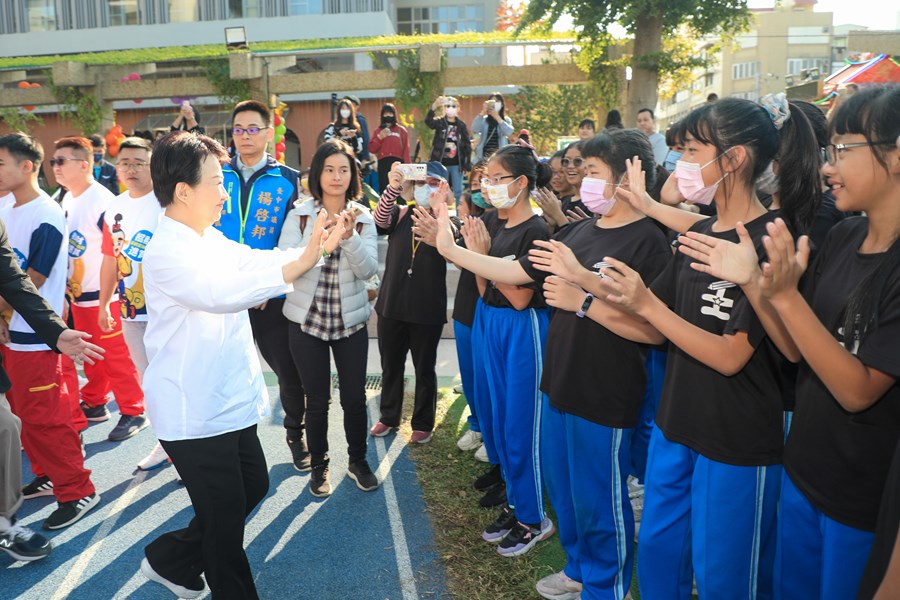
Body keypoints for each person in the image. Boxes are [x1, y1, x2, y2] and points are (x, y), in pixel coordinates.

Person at [682, 85, 900, 600]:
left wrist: (782, 294)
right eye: (829, 152)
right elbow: (795, 350)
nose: (828, 167)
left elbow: (858, 389)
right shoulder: (847, 236)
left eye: (843, 150)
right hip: (804, 469)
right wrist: (759, 288)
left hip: (859, 495)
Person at [599, 98, 804, 598]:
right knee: (660, 559)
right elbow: (660, 327)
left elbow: (731, 355)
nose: (680, 164)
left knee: (724, 579)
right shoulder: (701, 232)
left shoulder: (769, 243)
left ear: (732, 160)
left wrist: (648, 306)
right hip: (678, 424)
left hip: (735, 440)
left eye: (691, 151)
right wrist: (592, 300)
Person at [139, 131, 345, 600]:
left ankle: (170, 558)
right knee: (224, 524)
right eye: (217, 182)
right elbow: (221, 294)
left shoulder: (207, 236)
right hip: (193, 410)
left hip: (225, 400)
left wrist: (315, 250)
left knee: (252, 487)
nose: (225, 192)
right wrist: (305, 259)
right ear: (183, 191)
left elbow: (255, 263)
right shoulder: (167, 251)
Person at [432, 143, 555, 558]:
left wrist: (480, 257)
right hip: (492, 319)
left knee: (521, 426)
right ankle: (518, 503)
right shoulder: (496, 224)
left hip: (522, 330)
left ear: (521, 183)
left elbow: (521, 299)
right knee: (500, 421)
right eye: (486, 178)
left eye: (497, 178)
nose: (488, 186)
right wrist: (480, 261)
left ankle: (534, 519)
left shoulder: (536, 230)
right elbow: (485, 289)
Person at [0, 132, 104, 533]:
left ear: (27, 167)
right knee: (25, 416)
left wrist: (6, 315)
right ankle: (47, 473)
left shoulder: (45, 213)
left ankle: (77, 489)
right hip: (13, 332)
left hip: (34, 334)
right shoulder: (8, 206)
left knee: (45, 416)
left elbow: (31, 277)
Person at [277, 138, 379, 498]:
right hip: (306, 322)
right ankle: (319, 466)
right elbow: (286, 262)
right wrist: (319, 234)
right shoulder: (300, 214)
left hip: (350, 323)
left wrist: (348, 237)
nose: (336, 177)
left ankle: (358, 460)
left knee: (354, 398)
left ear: (353, 176)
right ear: (317, 173)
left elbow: (368, 271)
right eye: (329, 169)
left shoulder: (364, 217)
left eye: (344, 170)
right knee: (316, 400)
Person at [217, 100, 309, 473]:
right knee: (223, 376)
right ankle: (228, 449)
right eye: (238, 129)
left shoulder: (288, 179)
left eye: (252, 128)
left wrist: (267, 285)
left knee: (288, 372)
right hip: (222, 295)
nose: (244, 136)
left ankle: (295, 435)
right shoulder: (215, 175)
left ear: (270, 134)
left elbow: (292, 241)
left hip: (269, 296)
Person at [56, 137, 145, 442]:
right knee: (89, 353)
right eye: (53, 161)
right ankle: (95, 401)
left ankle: (134, 409)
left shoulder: (103, 202)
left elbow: (114, 254)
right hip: (79, 295)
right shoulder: (68, 198)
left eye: (61, 161)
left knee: (117, 357)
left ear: (84, 164)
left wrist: (110, 298)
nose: (54, 167)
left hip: (107, 296)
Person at [96, 136, 171, 470]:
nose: (131, 169)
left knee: (176, 379)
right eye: (125, 163)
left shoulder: (168, 201)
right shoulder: (114, 207)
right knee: (150, 383)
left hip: (167, 310)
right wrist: (102, 305)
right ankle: (167, 442)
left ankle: (190, 448)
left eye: (139, 162)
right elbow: (111, 259)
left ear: (153, 164)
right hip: (130, 312)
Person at [370, 162, 451, 446]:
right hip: (392, 305)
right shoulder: (402, 213)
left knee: (424, 370)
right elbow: (379, 221)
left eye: (433, 182)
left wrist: (442, 211)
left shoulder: (446, 223)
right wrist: (394, 187)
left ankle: (422, 423)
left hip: (426, 309)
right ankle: (389, 416)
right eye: (420, 182)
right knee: (391, 366)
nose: (425, 188)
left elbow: (457, 250)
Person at [426, 95, 472, 205]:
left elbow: (467, 145)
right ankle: (442, 213)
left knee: (458, 191)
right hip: (441, 164)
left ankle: (458, 213)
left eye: (453, 106)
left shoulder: (461, 125)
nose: (450, 108)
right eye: (448, 105)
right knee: (441, 190)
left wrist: (466, 164)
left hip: (457, 164)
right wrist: (434, 106)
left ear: (458, 108)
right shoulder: (440, 122)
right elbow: (429, 122)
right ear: (444, 108)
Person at [369, 102, 410, 193]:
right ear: (382, 115)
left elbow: (406, 150)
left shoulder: (401, 130)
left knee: (400, 188)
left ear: (394, 115)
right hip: (383, 162)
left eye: (390, 113)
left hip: (398, 163)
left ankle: (401, 206)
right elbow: (371, 148)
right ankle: (386, 206)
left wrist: (407, 166)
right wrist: (379, 137)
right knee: (385, 188)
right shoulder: (378, 131)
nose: (388, 115)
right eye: (385, 113)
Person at [472, 92, 514, 162]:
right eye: (492, 101)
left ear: (502, 104)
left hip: (499, 157)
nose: (494, 104)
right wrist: (483, 112)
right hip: (484, 157)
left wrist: (497, 117)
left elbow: (508, 132)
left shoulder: (506, 120)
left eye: (497, 101)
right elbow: (475, 129)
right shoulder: (484, 120)